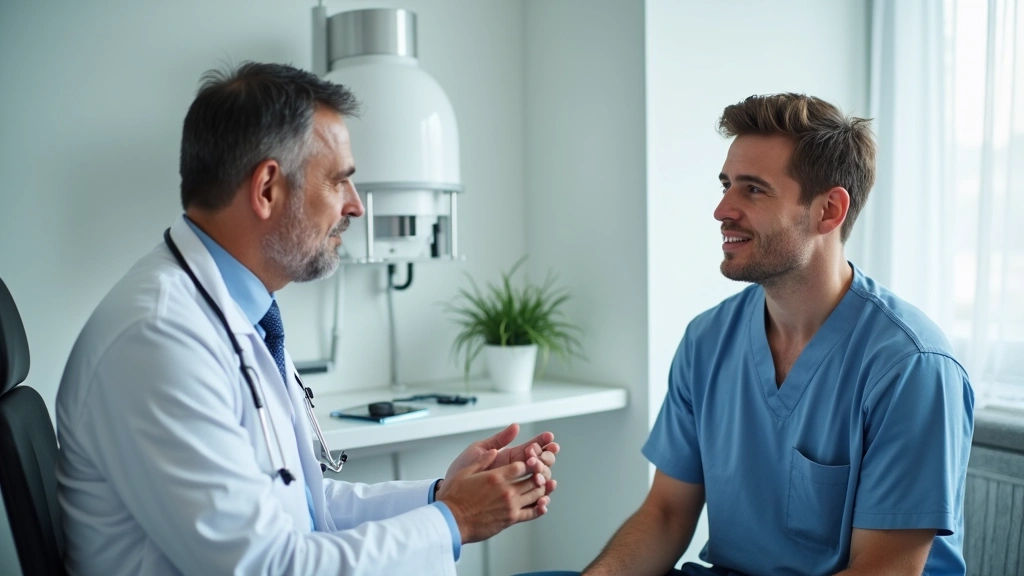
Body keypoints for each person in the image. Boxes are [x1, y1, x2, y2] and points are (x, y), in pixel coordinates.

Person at [55, 62, 558, 576]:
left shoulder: (239, 315)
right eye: (340, 182)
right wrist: (455, 519)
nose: (356, 207)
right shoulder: (158, 341)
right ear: (267, 188)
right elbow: (266, 566)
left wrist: (442, 496)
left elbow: (306, 510)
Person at [579, 94, 974, 575]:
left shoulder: (912, 366)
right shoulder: (706, 341)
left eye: (753, 190)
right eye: (726, 185)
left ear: (828, 211)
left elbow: (884, 568)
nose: (722, 209)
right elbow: (665, 513)